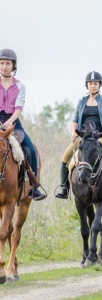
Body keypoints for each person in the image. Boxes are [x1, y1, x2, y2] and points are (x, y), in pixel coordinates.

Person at [55, 71, 102, 200]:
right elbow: (74, 120)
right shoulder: (82, 102)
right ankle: (63, 187)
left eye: (95, 83)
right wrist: (73, 132)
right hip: (84, 136)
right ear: (87, 85)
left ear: (99, 85)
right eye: (90, 83)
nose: (93, 86)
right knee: (65, 158)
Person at [0, 48, 46, 201]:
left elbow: (19, 108)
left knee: (30, 149)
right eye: (1, 63)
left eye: (7, 63)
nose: (4, 66)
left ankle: (33, 187)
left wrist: (10, 121)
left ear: (13, 66)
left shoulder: (20, 86)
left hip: (13, 121)